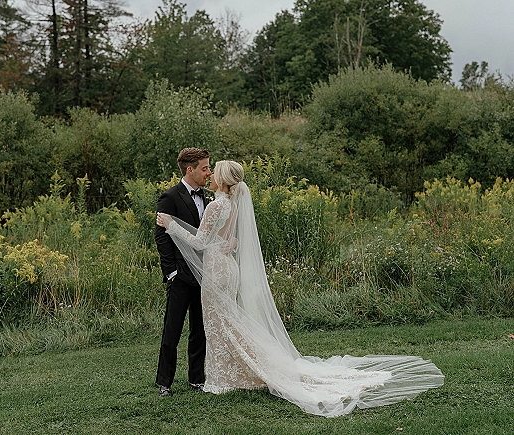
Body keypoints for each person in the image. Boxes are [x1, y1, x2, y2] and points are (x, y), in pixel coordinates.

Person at [156, 160, 444, 417]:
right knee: (225, 322)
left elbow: (199, 243)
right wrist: (222, 243)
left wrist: (171, 225)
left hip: (217, 270)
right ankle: (228, 374)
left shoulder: (217, 204)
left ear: (223, 178)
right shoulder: (231, 204)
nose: (211, 173)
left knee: (219, 323)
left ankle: (223, 379)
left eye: (214, 170)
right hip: (228, 268)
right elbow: (225, 239)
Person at [154, 147, 212, 397]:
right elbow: (162, 238)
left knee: (200, 329)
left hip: (204, 275)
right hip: (180, 276)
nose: (208, 172)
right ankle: (165, 382)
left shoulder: (209, 197)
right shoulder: (170, 197)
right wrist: (171, 273)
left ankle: (196, 379)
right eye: (205, 168)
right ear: (190, 170)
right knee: (172, 330)